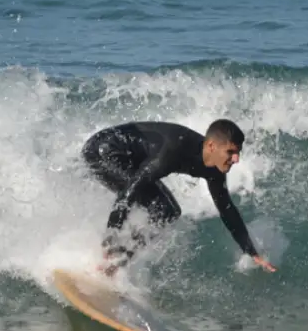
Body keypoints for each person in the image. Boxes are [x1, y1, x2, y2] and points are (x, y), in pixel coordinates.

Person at [82, 118, 277, 277]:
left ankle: (116, 263)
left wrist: (251, 251)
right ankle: (108, 257)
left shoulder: (215, 170)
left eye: (238, 152)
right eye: (231, 152)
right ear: (211, 146)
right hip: (102, 151)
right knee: (157, 205)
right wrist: (111, 236)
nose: (236, 159)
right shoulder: (173, 151)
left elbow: (227, 210)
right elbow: (128, 195)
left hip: (131, 157)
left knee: (169, 212)